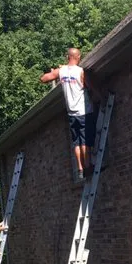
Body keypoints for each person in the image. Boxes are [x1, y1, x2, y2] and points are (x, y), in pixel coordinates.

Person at [40, 47, 96, 179]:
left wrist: (54, 72)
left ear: (67, 57)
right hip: (84, 110)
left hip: (71, 113)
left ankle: (80, 168)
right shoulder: (80, 71)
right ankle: (88, 166)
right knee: (85, 141)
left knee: (76, 142)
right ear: (78, 57)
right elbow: (89, 86)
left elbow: (43, 79)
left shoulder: (62, 71)